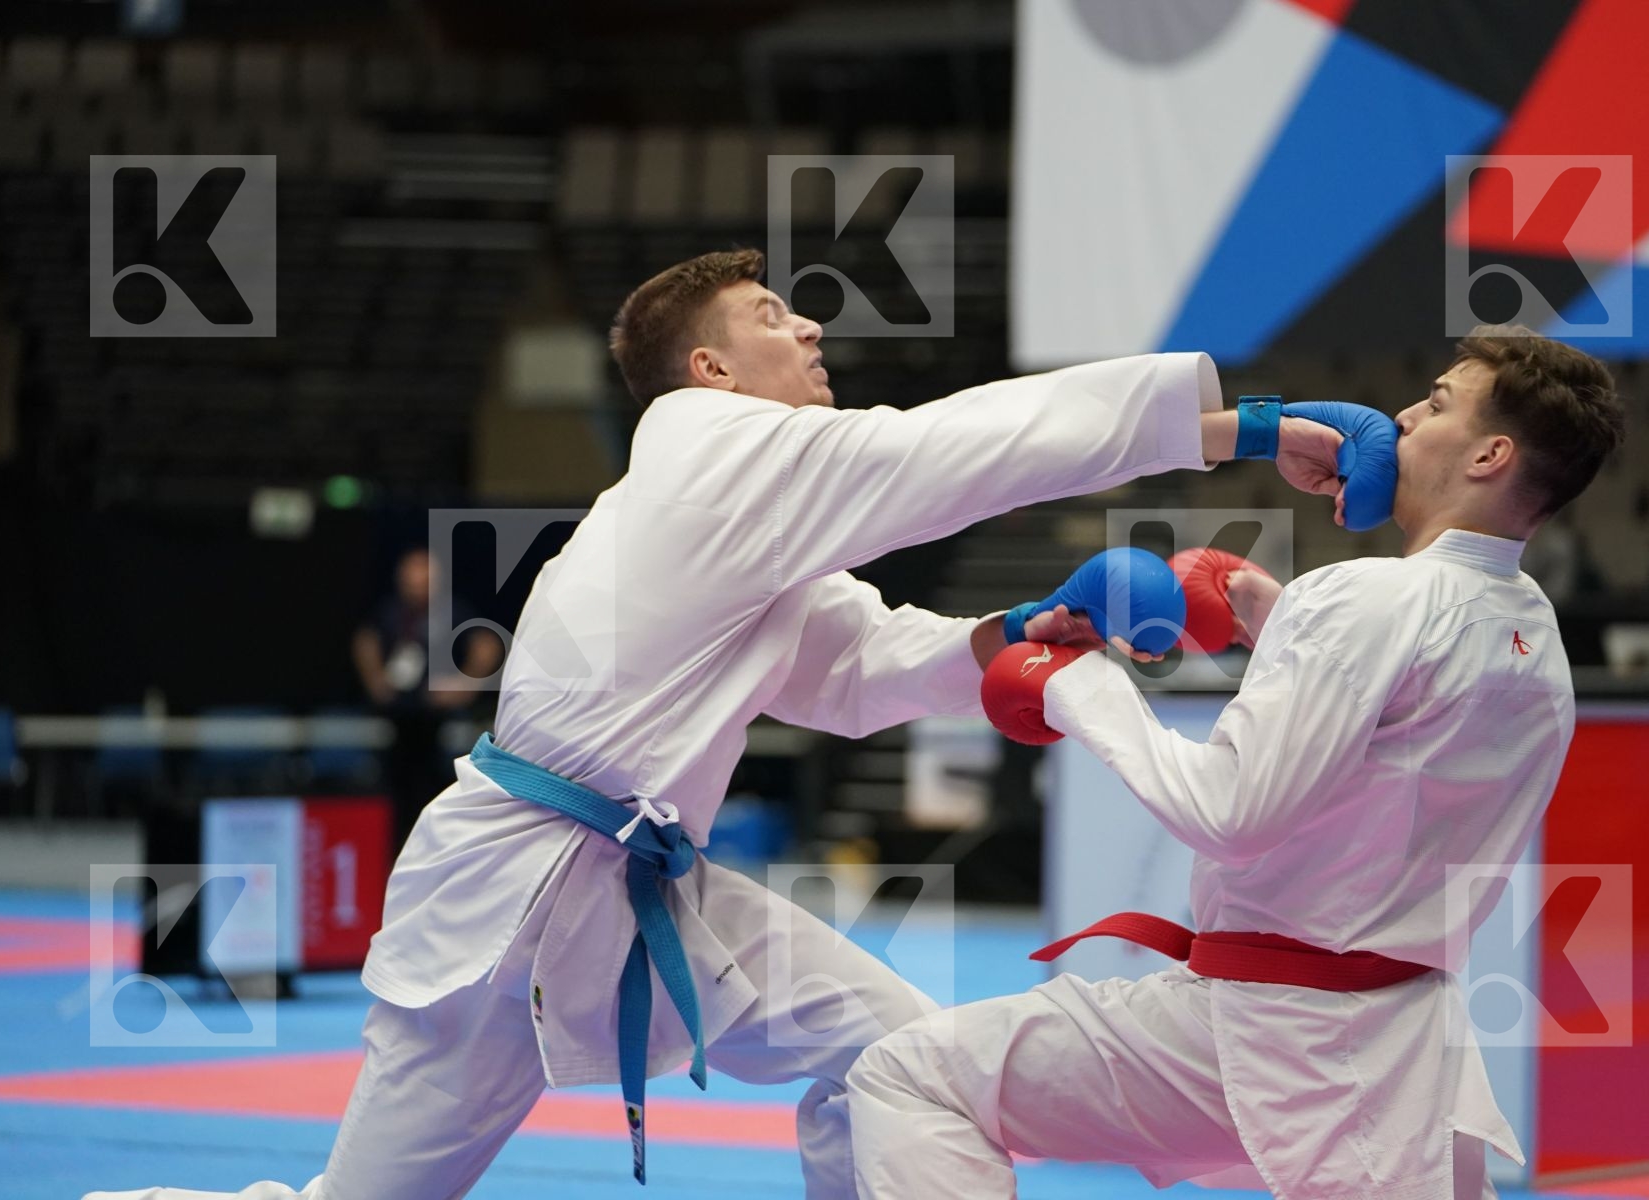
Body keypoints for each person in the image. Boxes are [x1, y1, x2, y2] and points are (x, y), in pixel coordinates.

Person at [86, 247, 1356, 1200]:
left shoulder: (748, 528)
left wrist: (1021, 629)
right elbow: (952, 451)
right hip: (511, 895)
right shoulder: (708, 450)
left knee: (896, 1058)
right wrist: (1242, 428)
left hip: (647, 886)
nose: (810, 325)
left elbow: (859, 667)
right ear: (709, 372)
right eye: (769, 316)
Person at [847, 325, 1626, 1199]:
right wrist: (1283, 623)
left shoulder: (1365, 595)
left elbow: (1230, 814)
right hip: (1404, 1037)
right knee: (924, 1072)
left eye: (1438, 404)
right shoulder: (1534, 633)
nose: (1404, 415)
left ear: (1489, 455)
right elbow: (1408, 740)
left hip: (1272, 1021)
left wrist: (1075, 683)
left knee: (908, 1075)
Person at [351, 546, 501, 849]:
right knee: (398, 797)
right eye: (411, 576)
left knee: (436, 796)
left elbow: (487, 644)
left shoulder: (453, 612)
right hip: (398, 719)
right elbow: (365, 641)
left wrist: (465, 685)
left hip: (440, 723)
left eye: (424, 576)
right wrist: (376, 680)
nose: (417, 583)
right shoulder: (390, 613)